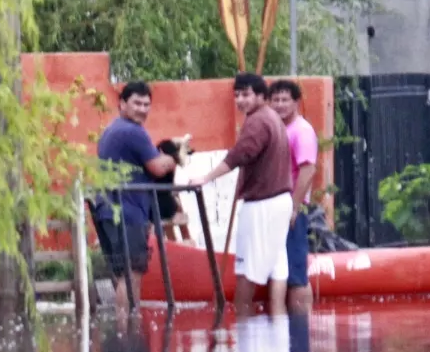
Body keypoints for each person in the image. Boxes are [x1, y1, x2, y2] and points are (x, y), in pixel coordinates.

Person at [198, 73, 292, 316]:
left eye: (246, 94)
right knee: (277, 265)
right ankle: (279, 320)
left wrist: (205, 178)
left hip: (263, 203)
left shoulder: (258, 122)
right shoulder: (270, 118)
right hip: (279, 200)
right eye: (237, 95)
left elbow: (239, 156)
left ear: (261, 96)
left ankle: (242, 320)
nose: (240, 100)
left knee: (247, 268)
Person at [91, 81, 177, 302]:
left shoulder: (111, 129)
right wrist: (173, 158)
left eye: (146, 104)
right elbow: (157, 168)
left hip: (109, 210)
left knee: (123, 274)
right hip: (127, 212)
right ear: (122, 104)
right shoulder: (133, 131)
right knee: (131, 275)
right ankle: (130, 331)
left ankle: (126, 329)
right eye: (137, 103)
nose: (142, 109)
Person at [268, 80, 319, 315]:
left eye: (285, 100)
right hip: (276, 206)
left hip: (292, 208)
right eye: (275, 100)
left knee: (296, 271)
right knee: (283, 268)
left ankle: (301, 329)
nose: (280, 105)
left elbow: (308, 170)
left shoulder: (301, 131)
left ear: (296, 102)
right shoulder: (278, 128)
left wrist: (294, 207)